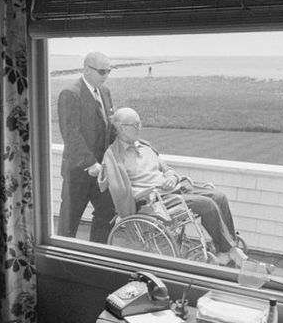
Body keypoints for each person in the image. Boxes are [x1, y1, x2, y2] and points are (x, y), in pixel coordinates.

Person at [98, 107, 248, 266]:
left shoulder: (146, 147)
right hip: (155, 200)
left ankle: (225, 251)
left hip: (173, 188)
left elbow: (167, 169)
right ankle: (231, 251)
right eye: (134, 125)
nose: (139, 128)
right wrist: (151, 190)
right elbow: (120, 190)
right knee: (208, 205)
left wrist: (170, 177)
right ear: (121, 128)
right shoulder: (114, 156)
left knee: (219, 196)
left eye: (139, 124)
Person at [57, 51, 117, 243]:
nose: (106, 75)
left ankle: (97, 255)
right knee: (69, 222)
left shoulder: (105, 92)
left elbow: (109, 128)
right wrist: (90, 163)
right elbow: (71, 134)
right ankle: (63, 264)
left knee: (107, 212)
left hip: (101, 172)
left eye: (108, 71)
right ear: (86, 69)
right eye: (102, 71)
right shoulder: (70, 94)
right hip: (78, 172)